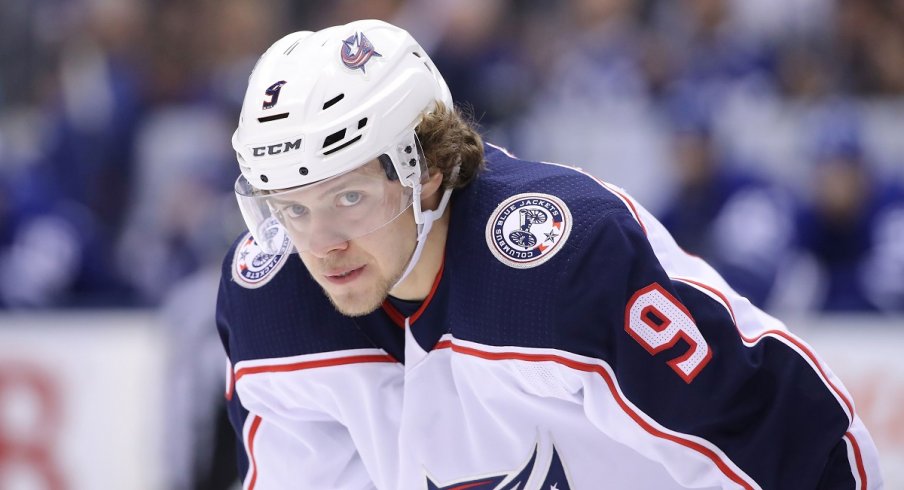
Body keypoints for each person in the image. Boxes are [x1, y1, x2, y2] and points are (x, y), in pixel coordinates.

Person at [216, 19, 881, 489]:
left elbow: (802, 444)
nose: (320, 244)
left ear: (427, 167)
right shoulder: (271, 305)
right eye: (290, 207)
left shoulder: (561, 261)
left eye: (349, 198)